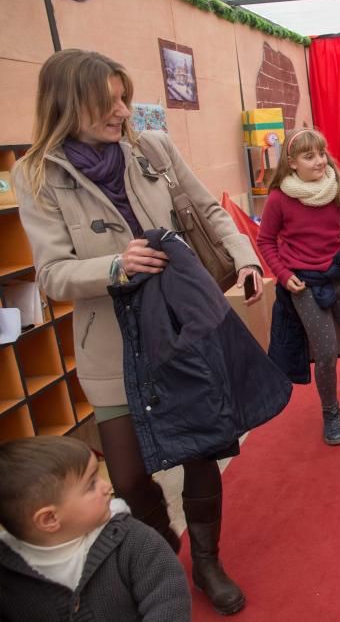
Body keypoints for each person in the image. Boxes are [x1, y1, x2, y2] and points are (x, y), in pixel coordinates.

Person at [13, 49, 262, 615]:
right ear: (68, 104)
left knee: (202, 449)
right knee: (125, 474)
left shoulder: (152, 147)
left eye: (125, 97)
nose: (124, 111)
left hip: (180, 322)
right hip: (109, 340)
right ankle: (161, 547)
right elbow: (51, 274)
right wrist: (113, 266)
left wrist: (244, 257)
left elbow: (208, 209)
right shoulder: (36, 174)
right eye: (110, 102)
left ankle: (206, 560)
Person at [258, 128, 340, 446]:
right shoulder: (279, 199)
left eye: (321, 153)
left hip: (338, 275)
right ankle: (330, 411)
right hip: (303, 285)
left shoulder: (337, 188)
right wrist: (284, 274)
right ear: (291, 163)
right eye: (309, 155)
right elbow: (266, 240)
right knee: (326, 351)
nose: (319, 160)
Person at [0, 436, 191, 621]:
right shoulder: (8, 574)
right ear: (49, 518)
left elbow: (168, 598)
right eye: (91, 484)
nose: (107, 486)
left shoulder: (132, 539)